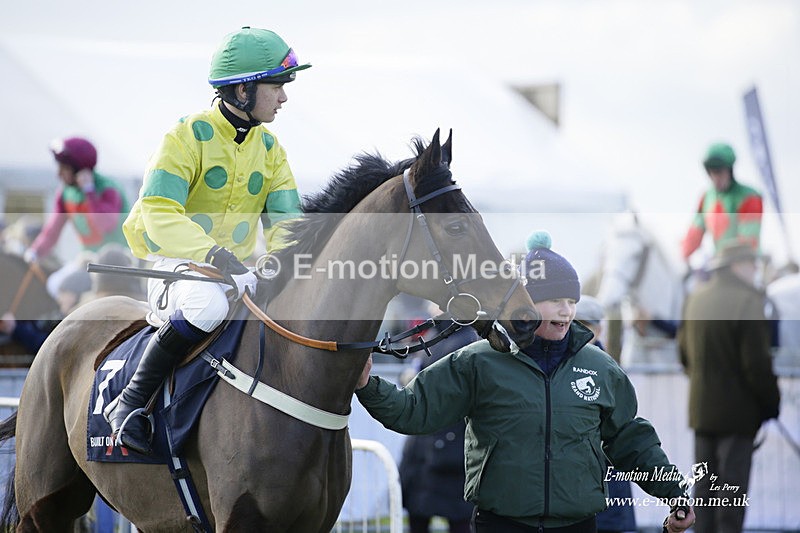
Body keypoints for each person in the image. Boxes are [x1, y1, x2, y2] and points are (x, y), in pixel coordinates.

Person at [356, 231, 695, 533]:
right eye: (555, 301)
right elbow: (413, 409)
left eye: (571, 302)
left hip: (578, 524)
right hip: (501, 523)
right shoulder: (479, 360)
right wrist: (367, 383)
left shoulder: (600, 366)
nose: (566, 311)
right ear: (526, 304)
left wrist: (675, 494)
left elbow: (632, 441)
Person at [103, 26, 309, 455]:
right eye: (277, 87)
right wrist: (214, 254)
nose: (284, 98)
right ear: (242, 89)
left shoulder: (272, 150)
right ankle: (128, 404)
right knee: (209, 304)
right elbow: (158, 212)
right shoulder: (183, 136)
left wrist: (278, 261)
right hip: (177, 269)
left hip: (236, 273)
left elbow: (288, 223)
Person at [678, 242, 780, 533]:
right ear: (738, 265)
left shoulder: (695, 298)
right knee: (731, 501)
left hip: (701, 413)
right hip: (739, 417)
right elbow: (757, 366)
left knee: (705, 497)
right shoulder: (748, 302)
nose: (756, 271)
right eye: (753, 264)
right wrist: (771, 404)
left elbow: (684, 356)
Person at [398, 325, 479, 533]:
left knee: (460, 521)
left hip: (452, 449)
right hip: (421, 450)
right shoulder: (435, 335)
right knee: (417, 519)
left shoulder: (470, 339)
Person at [25, 136, 130, 295]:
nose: (58, 174)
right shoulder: (65, 193)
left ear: (79, 169)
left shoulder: (109, 188)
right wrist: (35, 251)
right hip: (87, 261)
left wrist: (89, 191)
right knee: (54, 284)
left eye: (63, 168)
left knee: (66, 287)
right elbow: (52, 230)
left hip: (117, 264)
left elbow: (106, 224)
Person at [575, 295, 636, 533]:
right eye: (573, 324)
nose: (577, 331)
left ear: (598, 329)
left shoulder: (608, 371)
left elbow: (626, 432)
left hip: (608, 486)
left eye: (584, 325)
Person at [681, 142, 762, 263]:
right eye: (713, 172)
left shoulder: (749, 197)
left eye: (720, 172)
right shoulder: (706, 198)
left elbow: (747, 242)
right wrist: (682, 256)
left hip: (746, 266)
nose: (716, 178)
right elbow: (693, 235)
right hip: (720, 265)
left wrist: (719, 260)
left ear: (729, 171)